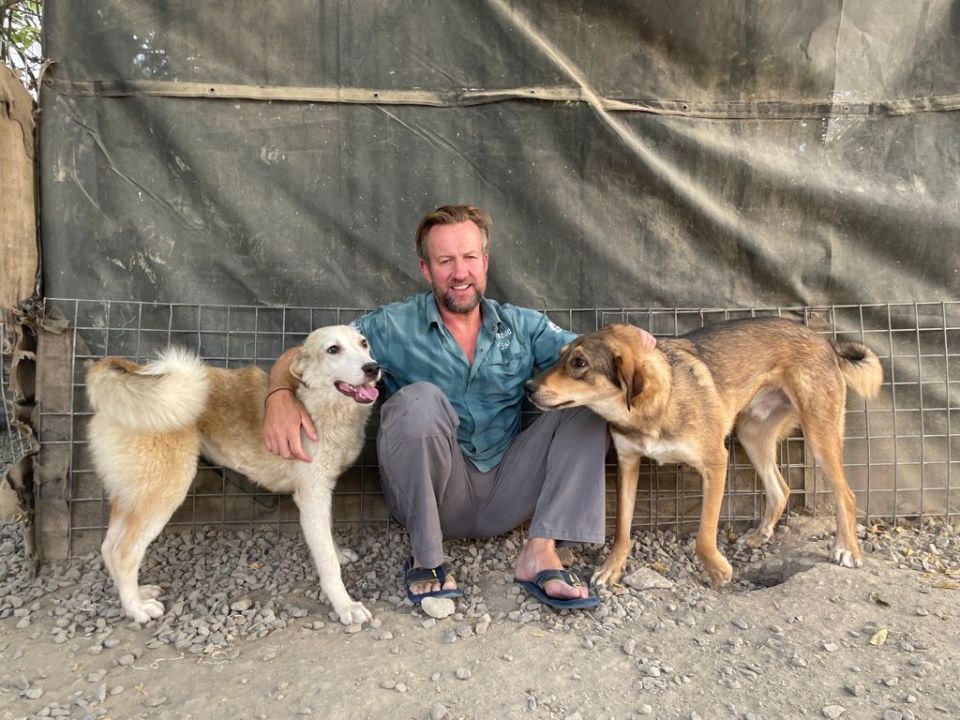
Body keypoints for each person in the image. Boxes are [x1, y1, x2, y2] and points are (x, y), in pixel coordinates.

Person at [262, 205, 655, 609]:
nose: (459, 272)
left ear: (484, 262)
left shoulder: (522, 325)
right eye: (445, 261)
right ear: (426, 269)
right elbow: (309, 353)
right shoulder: (391, 325)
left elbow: (589, 356)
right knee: (419, 400)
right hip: (433, 494)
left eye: (469, 258)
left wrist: (626, 339)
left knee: (586, 401)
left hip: (509, 487)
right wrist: (279, 394)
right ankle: (427, 558)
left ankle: (541, 550)